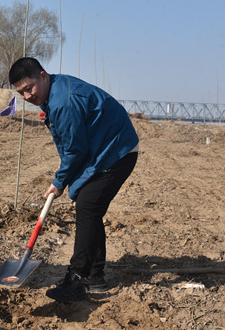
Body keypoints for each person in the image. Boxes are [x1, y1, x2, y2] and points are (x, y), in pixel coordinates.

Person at [8, 57, 139, 302]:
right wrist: (67, 180)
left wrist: (59, 182)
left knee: (88, 206)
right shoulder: (54, 93)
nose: (26, 96)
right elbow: (73, 146)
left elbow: (75, 150)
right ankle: (95, 276)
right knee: (89, 205)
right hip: (102, 150)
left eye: (29, 88)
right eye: (21, 92)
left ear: (43, 76)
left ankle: (78, 278)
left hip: (116, 152)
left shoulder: (63, 103)